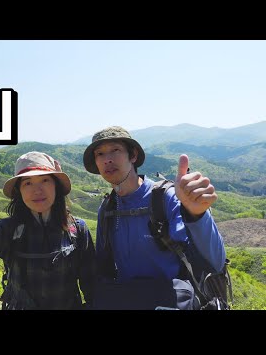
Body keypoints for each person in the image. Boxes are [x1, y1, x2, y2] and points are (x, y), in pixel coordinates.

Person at [82, 126, 227, 310]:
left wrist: (197, 215)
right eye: (100, 154)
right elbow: (104, 269)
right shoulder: (107, 209)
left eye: (115, 150)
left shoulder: (165, 198)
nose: (107, 159)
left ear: (133, 156)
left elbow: (215, 261)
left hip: (172, 302)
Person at [0, 151, 96, 310]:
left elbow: (92, 282)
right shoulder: (12, 230)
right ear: (19, 191)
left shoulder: (77, 229)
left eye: (45, 180)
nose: (37, 190)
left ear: (56, 186)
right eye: (28, 183)